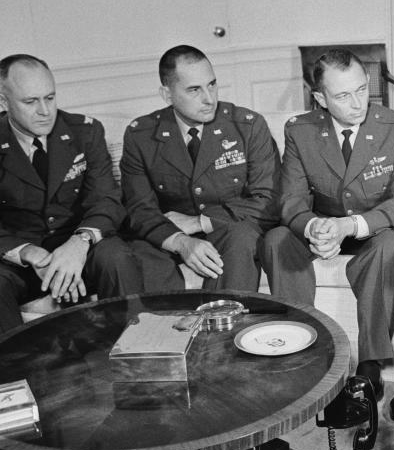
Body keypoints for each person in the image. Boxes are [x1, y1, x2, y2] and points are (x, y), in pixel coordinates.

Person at [261, 49, 394, 397]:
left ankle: (370, 367)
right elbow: (291, 199)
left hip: (373, 230)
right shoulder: (300, 131)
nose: (357, 103)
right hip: (322, 227)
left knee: (390, 244)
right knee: (275, 239)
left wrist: (347, 227)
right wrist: (312, 228)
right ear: (320, 98)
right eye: (343, 95)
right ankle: (296, 353)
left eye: (362, 89)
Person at [0, 54, 144, 345]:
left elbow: (107, 201)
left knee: (116, 256)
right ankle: (13, 375)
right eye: (30, 102)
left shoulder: (85, 132)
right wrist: (31, 253)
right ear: (3, 102)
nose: (45, 111)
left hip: (78, 248)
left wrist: (79, 243)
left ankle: (135, 349)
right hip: (18, 260)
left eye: (50, 98)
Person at [120, 45, 280, 292]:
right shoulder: (141, 136)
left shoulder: (247, 126)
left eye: (212, 84)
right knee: (139, 252)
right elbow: (140, 209)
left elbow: (269, 199)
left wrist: (199, 222)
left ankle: (227, 325)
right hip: (171, 232)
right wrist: (180, 242)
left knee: (242, 238)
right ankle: (165, 327)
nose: (209, 98)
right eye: (194, 90)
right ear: (167, 94)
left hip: (228, 228)